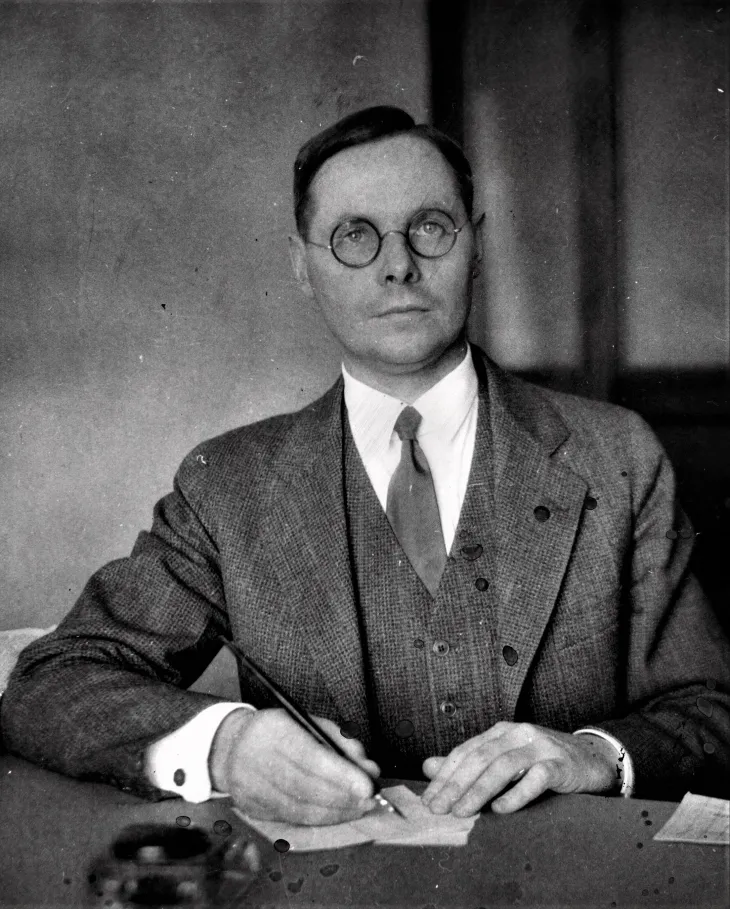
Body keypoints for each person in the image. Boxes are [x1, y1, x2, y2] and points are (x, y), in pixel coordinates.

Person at [2, 106, 729, 827]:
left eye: (431, 227)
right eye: (355, 236)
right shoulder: (229, 486)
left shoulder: (617, 456)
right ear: (302, 265)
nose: (398, 264)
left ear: (477, 245)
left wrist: (597, 752)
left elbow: (713, 709)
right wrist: (226, 744)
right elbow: (50, 682)